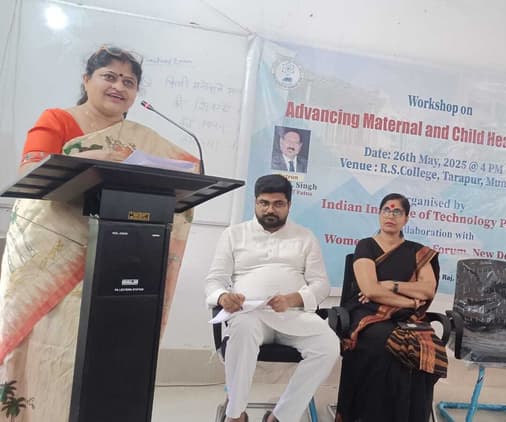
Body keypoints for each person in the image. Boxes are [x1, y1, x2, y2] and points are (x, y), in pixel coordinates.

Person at [0, 45, 199, 421]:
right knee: (52, 352)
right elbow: (31, 171)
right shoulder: (58, 119)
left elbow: (189, 171)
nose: (119, 86)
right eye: (109, 76)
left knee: (105, 356)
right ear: (86, 80)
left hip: (114, 262)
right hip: (55, 269)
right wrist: (93, 160)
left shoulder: (140, 139)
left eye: (129, 81)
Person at [204, 174, 338, 422]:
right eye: (264, 203)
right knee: (242, 328)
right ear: (255, 202)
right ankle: (236, 414)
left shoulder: (305, 236)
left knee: (328, 345)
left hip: (293, 315)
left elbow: (321, 285)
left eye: (278, 204)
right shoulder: (234, 234)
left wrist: (293, 299)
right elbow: (214, 280)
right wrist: (222, 297)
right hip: (251, 315)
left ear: (289, 205)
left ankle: (281, 416)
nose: (270, 209)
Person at [335, 193, 447, 422]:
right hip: (367, 313)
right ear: (379, 214)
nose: (391, 215)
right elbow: (370, 290)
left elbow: (427, 289)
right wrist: (409, 301)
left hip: (407, 318)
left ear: (406, 218)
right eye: (386, 210)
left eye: (397, 212)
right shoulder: (366, 245)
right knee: (388, 343)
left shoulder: (418, 251)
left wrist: (392, 285)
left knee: (426, 345)